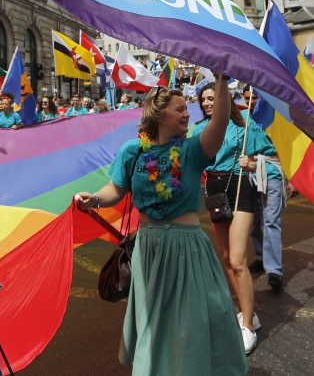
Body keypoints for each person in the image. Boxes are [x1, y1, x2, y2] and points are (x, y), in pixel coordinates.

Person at [74, 79, 248, 373]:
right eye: (180, 109)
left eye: (187, 109)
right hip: (149, 247)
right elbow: (115, 190)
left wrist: (220, 81)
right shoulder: (134, 151)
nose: (187, 114)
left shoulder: (193, 149)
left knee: (194, 320)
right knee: (156, 322)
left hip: (188, 247)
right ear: (158, 114)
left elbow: (219, 121)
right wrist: (94, 200)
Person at [191, 83, 261, 349]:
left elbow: (258, 161)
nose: (208, 103)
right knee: (226, 258)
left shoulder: (243, 128)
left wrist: (251, 163)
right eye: (204, 100)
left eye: (213, 98)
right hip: (214, 188)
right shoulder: (198, 130)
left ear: (225, 100)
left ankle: (247, 326)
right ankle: (247, 309)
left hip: (240, 186)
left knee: (238, 259)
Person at [241, 86, 287, 293]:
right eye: (247, 98)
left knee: (271, 220)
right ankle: (260, 256)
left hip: (272, 173)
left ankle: (275, 270)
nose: (251, 101)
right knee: (255, 221)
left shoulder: (274, 115)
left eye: (255, 97)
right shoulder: (243, 118)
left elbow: (287, 148)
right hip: (250, 173)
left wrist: (291, 178)